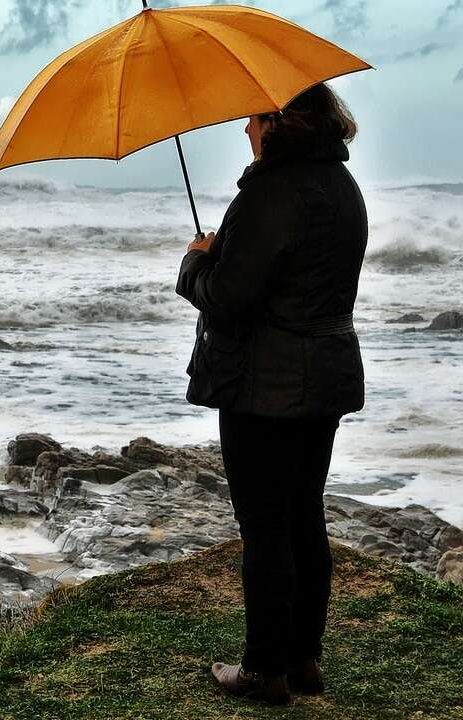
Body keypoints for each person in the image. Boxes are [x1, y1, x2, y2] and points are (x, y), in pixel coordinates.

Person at [174, 82, 367, 706]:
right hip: (325, 372)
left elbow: (230, 299)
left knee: (265, 525)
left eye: (254, 119)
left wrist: (197, 262)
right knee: (303, 514)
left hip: (265, 384)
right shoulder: (342, 187)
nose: (245, 131)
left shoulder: (270, 191)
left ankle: (263, 671)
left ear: (280, 123)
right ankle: (303, 659)